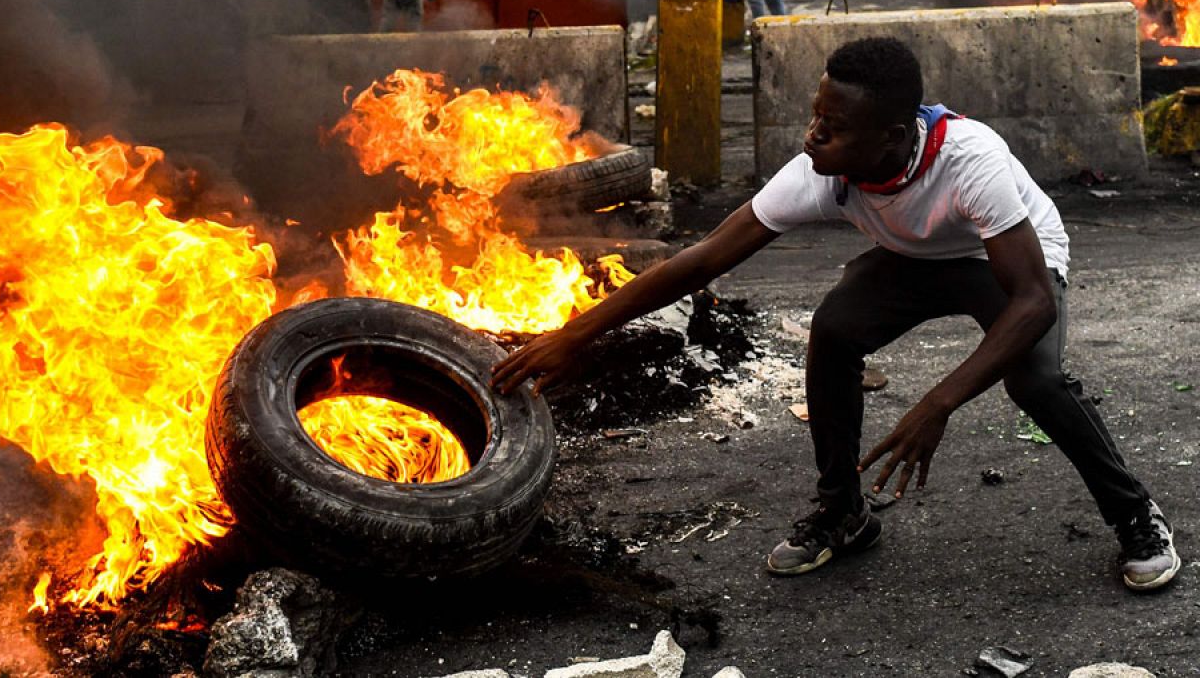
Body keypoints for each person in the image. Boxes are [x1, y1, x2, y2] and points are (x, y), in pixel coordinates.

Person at [492, 37, 1180, 592]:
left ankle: (1135, 515)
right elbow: (701, 260)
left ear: (891, 137)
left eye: (834, 125)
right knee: (835, 329)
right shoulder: (820, 170)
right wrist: (572, 337)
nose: (814, 135)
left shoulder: (972, 163)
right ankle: (842, 512)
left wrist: (937, 402)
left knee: (1034, 380)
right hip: (911, 256)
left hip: (1008, 262)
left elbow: (1030, 302)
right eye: (816, 115)